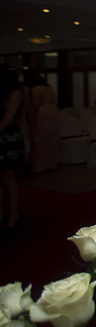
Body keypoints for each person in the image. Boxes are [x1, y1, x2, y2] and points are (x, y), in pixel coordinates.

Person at [0, 66, 26, 230]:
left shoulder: (16, 93)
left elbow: (9, 117)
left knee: (9, 176)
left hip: (8, 137)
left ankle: (14, 214)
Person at [26, 73, 60, 174]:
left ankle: (39, 166)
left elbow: (36, 105)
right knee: (52, 138)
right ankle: (51, 163)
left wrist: (32, 120)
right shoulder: (49, 87)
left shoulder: (36, 89)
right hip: (53, 111)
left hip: (43, 112)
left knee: (40, 139)